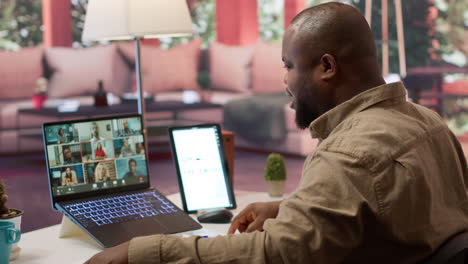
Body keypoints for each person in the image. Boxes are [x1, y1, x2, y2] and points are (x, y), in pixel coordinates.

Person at [85, 3, 468, 264]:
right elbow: (386, 205)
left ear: (327, 67)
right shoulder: (428, 122)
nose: (284, 80)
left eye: (289, 65)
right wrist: (289, 208)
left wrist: (145, 251)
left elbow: (276, 256)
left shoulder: (348, 154)